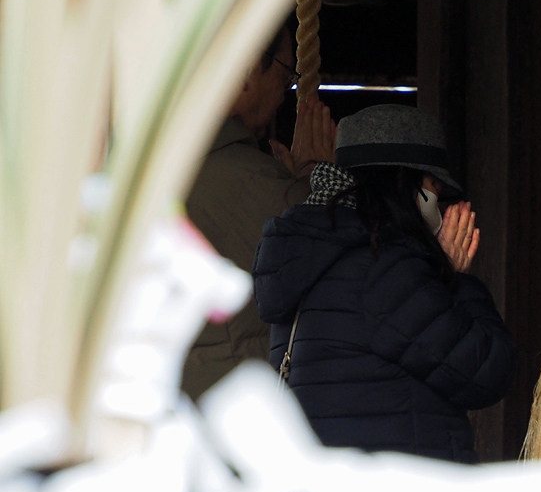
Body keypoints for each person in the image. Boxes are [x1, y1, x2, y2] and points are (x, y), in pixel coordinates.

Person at [252, 104, 516, 463]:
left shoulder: (306, 252)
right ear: (405, 184)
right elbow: (487, 371)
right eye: (434, 186)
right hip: (396, 486)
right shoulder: (388, 268)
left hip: (326, 481)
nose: (438, 203)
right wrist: (454, 280)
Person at [181, 23, 335, 400]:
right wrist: (314, 177)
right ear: (248, 68)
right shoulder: (257, 182)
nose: (284, 94)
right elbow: (332, 265)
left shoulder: (147, 164)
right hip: (228, 400)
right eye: (283, 76)